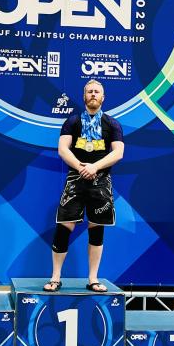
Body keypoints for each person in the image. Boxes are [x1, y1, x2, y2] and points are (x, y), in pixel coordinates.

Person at [44, 79, 124, 293]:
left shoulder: (112, 124)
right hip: (76, 180)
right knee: (64, 227)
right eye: (90, 91)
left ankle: (93, 279)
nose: (93, 94)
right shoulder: (72, 122)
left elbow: (118, 152)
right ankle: (55, 277)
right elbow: (63, 149)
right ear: (84, 96)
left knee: (96, 229)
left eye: (97, 91)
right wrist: (82, 168)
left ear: (103, 97)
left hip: (101, 182)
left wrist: (94, 167)